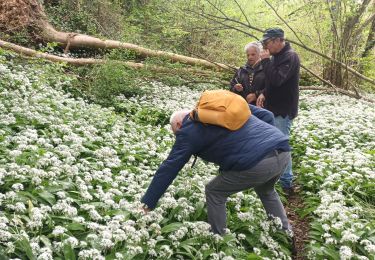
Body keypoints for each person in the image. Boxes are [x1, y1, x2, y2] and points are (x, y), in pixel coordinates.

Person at [141, 105, 292, 236]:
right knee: (266, 191)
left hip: (260, 163)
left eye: (176, 133)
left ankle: (218, 238)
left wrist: (148, 204)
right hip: (283, 150)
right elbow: (267, 115)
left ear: (179, 124)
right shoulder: (218, 110)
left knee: (214, 191)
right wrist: (266, 141)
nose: (177, 137)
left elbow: (169, 167)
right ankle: (286, 233)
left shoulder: (188, 130)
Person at [256, 28, 300, 194]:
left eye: (266, 43)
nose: (264, 47)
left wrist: (266, 61)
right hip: (272, 108)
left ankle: (286, 184)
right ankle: (273, 177)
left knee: (281, 145)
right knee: (272, 144)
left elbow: (278, 80)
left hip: (282, 110)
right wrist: (263, 93)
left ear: (277, 40)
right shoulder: (276, 57)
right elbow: (270, 82)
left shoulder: (290, 56)